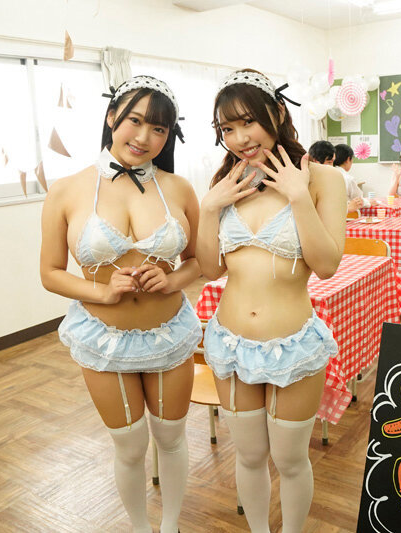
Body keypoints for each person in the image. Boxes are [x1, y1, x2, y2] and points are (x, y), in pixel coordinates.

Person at [39, 76, 202, 533]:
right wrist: (102, 293)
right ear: (112, 117)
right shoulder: (67, 190)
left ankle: (170, 526)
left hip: (169, 335)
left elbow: (199, 263)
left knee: (171, 439)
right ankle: (140, 528)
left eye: (159, 129)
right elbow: (50, 272)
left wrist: (171, 280)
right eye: (135, 121)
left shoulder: (179, 188)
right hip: (103, 339)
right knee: (129, 447)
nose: (145, 137)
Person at [196, 69, 346, 532]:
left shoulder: (322, 178)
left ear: (278, 113)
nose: (240, 138)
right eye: (227, 128)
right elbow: (210, 269)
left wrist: (298, 197)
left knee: (291, 459)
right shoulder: (226, 182)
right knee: (249, 455)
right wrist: (209, 207)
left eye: (248, 122)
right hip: (230, 343)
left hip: (292, 343)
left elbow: (327, 265)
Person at [334, 143, 370, 215]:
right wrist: (368, 202)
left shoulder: (328, 174)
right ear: (348, 159)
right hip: (347, 216)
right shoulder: (348, 178)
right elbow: (358, 200)